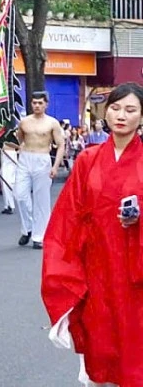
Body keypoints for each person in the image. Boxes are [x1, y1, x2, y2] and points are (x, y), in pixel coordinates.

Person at [41, 82, 143, 386]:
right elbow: (67, 220)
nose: (121, 115)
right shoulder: (88, 159)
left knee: (134, 344)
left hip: (135, 268)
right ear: (105, 112)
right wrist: (65, 276)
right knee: (100, 343)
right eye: (115, 108)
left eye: (130, 109)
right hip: (97, 267)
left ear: (141, 116)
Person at [15, 91, 65, 249]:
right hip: (25, 158)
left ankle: (39, 236)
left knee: (41, 199)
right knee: (19, 195)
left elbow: (61, 145)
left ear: (46, 104)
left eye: (40, 103)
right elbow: (18, 140)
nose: (37, 105)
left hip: (42, 159)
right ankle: (27, 228)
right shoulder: (24, 122)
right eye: (34, 103)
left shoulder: (52, 123)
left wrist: (56, 166)